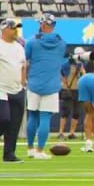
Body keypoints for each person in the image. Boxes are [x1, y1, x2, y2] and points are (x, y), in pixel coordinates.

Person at [23, 14, 67, 160]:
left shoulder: (31, 41)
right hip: (52, 84)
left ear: (42, 25)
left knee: (33, 117)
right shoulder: (61, 43)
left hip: (34, 83)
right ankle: (40, 150)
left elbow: (25, 60)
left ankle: (30, 148)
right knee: (45, 118)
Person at [0, 18, 27, 163]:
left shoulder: (19, 47)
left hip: (17, 89)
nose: (16, 31)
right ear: (5, 29)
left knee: (14, 123)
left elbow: (23, 66)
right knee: (3, 119)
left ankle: (9, 154)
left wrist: (23, 84)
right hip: (0, 88)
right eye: (13, 28)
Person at [58, 54, 82, 140]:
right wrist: (65, 83)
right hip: (68, 90)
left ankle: (72, 132)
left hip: (77, 90)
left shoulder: (80, 65)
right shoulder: (65, 65)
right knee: (66, 111)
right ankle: (61, 132)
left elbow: (83, 74)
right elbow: (61, 73)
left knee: (77, 112)